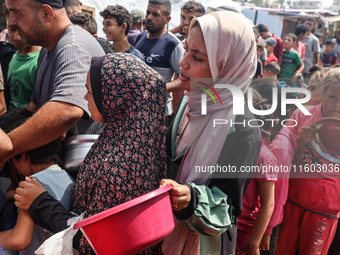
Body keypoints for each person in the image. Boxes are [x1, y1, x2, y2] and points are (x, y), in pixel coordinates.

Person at [14, 53, 167, 255]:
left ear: (115, 95)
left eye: (90, 91)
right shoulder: (131, 138)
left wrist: (40, 203)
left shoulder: (122, 164)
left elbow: (98, 240)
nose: (85, 97)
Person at [160, 10, 262, 254]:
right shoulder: (189, 102)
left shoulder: (242, 129)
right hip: (162, 229)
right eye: (186, 49)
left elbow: (227, 206)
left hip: (203, 245)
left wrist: (190, 200)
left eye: (197, 57)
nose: (183, 62)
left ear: (228, 66)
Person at [0, 0, 105, 166]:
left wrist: (7, 148)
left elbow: (67, 110)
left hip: (80, 172)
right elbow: (33, 109)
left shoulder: (72, 46)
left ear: (46, 13)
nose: (11, 21)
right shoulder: (47, 47)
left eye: (18, 13)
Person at [276, 67, 340, 255]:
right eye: (332, 97)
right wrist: (300, 140)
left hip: (326, 206)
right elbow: (280, 153)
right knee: (281, 251)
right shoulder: (303, 114)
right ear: (323, 94)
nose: (337, 104)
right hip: (292, 198)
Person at [0, 109, 74, 255]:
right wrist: (10, 195)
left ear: (22, 155)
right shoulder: (68, 178)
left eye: (11, 159)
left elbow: (18, 240)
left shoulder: (32, 185)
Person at [236, 89, 277, 255]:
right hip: (225, 225)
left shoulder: (263, 156)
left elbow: (268, 204)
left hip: (244, 233)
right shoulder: (233, 146)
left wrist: (254, 243)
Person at [135, 0, 185, 118]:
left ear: (167, 19)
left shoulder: (173, 44)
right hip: (136, 110)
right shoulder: (140, 37)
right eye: (148, 13)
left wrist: (159, 87)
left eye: (155, 14)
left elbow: (184, 80)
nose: (149, 17)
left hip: (158, 114)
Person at [4, 4, 41, 110]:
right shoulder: (14, 57)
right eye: (12, 29)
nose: (16, 36)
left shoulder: (40, 60)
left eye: (21, 29)